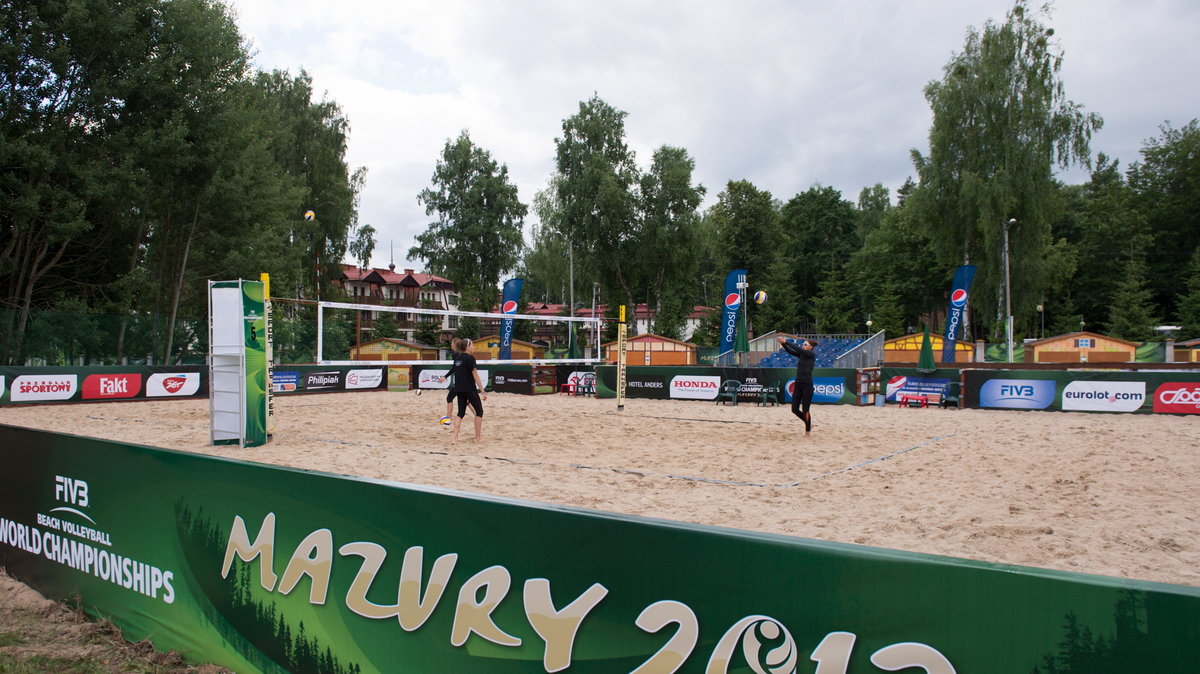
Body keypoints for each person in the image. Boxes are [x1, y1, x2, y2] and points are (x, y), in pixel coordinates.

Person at [777, 335, 818, 437]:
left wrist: (786, 341)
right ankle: (809, 423)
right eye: (803, 344)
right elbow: (792, 351)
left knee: (805, 410)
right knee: (794, 409)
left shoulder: (810, 355)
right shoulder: (803, 355)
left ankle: (807, 431)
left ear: (810, 347)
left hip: (807, 385)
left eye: (805, 344)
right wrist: (783, 344)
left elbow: (798, 349)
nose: (803, 345)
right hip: (798, 384)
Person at [448, 337, 487, 444]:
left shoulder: (458, 357)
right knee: (479, 412)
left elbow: (455, 371)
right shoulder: (470, 358)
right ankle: (477, 438)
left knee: (461, 413)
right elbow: (476, 376)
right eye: (473, 345)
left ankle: (454, 438)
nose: (474, 347)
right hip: (470, 389)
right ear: (468, 347)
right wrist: (482, 391)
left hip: (459, 389)